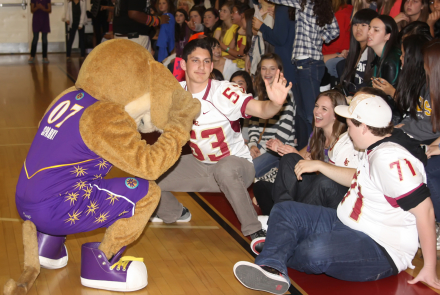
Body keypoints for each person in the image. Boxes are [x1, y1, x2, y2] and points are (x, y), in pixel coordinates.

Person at [233, 92, 440, 295]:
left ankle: (279, 246)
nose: (347, 131)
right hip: (347, 221)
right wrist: (320, 166)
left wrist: (429, 267)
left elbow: (426, 211)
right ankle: (271, 264)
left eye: (350, 126)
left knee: (314, 251)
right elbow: (357, 177)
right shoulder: (377, 144)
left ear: (365, 128)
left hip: (381, 247)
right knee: (285, 209)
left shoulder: (391, 160)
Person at [150, 39, 292, 243]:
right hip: (201, 166)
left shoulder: (224, 92)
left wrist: (275, 103)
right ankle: (175, 213)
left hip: (237, 167)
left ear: (211, 65)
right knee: (151, 173)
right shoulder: (173, 94)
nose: (201, 66)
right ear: (183, 64)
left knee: (224, 169)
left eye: (206, 61)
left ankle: (255, 230)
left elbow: (261, 109)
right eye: (195, 60)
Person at [252, 89, 355, 221]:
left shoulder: (345, 141)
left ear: (336, 115)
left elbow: (331, 181)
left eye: (324, 109)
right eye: (316, 106)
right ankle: (280, 216)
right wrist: (282, 149)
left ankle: (282, 219)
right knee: (262, 186)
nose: (317, 111)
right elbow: (297, 159)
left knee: (314, 179)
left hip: (326, 193)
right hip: (310, 185)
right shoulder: (317, 135)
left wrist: (315, 164)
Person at [268, 0, 340, 139]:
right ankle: (310, 147)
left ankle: (318, 147)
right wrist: (320, 39)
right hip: (306, 64)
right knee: (303, 113)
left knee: (310, 113)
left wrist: (319, 39)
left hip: (308, 64)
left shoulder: (305, 4)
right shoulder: (320, 6)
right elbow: (335, 30)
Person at [248, 53, 296, 179]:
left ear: (279, 71)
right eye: (264, 68)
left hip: (278, 150)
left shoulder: (286, 95)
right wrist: (252, 145)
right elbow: (253, 125)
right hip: (259, 146)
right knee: (236, 164)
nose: (267, 72)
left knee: (248, 171)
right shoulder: (257, 96)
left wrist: (261, 151)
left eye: (272, 68)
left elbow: (283, 134)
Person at [416, 40, 440, 235]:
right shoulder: (433, 85)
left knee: (428, 171)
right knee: (422, 159)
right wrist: (432, 147)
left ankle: (437, 224)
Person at [338, 9, 378, 95]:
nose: (358, 28)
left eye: (363, 25)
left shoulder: (375, 54)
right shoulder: (354, 53)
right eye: (355, 24)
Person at [367, 15, 401, 88]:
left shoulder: (390, 61)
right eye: (369, 28)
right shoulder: (379, 56)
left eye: (376, 30)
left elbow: (389, 96)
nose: (369, 32)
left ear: (387, 36)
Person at [322, 0, 353, 80]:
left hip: (339, 55)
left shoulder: (340, 14)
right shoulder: (346, 10)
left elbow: (334, 47)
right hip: (338, 54)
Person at [231, 70, 255, 142]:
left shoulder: (253, 104)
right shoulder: (227, 104)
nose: (236, 86)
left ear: (248, 85)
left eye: (240, 83)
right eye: (233, 83)